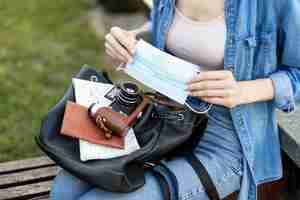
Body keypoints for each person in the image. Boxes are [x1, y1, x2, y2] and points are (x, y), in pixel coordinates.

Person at [50, 0, 300, 200]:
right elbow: (177, 34)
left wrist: (244, 91)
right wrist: (129, 41)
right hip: (167, 124)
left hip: (228, 144)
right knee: (65, 189)